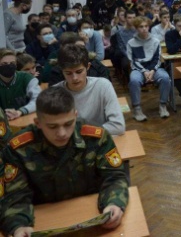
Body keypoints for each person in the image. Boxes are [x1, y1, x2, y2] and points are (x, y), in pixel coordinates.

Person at [1, 87, 129, 237]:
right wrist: (18, 225)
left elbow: (114, 176)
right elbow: (15, 194)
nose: (62, 133)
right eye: (52, 126)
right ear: (38, 123)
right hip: (44, 219)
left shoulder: (96, 137)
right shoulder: (18, 149)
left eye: (68, 124)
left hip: (91, 215)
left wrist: (114, 203)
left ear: (75, 115)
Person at [56, 44, 125, 135]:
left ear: (88, 67)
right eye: (68, 73)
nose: (74, 78)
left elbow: (118, 126)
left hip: (97, 140)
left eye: (79, 71)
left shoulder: (103, 86)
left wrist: (83, 134)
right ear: (62, 71)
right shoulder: (55, 93)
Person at [127, 16, 172, 121]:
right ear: (136, 28)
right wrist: (144, 71)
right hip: (138, 69)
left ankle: (163, 105)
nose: (144, 29)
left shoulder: (155, 41)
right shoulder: (131, 43)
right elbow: (133, 61)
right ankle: (137, 109)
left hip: (154, 69)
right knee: (134, 80)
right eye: (141, 26)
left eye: (146, 26)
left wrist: (152, 71)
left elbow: (157, 59)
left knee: (165, 78)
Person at [45, 32, 110, 85]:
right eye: (77, 48)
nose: (75, 78)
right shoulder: (57, 70)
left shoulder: (96, 66)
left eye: (83, 47)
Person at [0, 48, 41, 120]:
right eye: (4, 64)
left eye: (12, 63)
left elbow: (39, 100)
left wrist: (20, 112)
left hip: (24, 120)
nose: (9, 66)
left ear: (16, 65)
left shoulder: (27, 78)